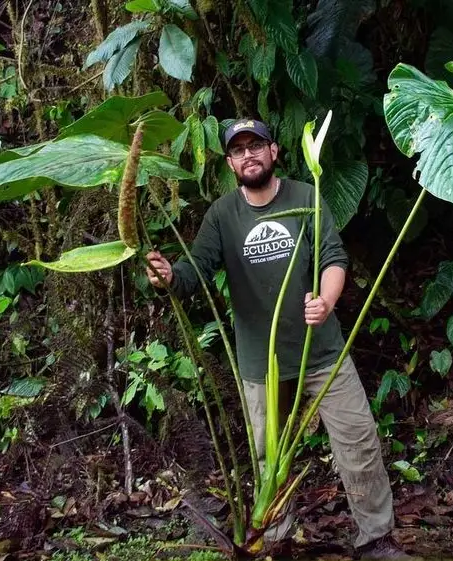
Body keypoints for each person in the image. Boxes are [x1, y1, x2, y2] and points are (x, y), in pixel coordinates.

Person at [146, 118, 416, 560]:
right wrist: (169, 275)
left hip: (322, 350)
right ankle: (277, 541)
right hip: (261, 363)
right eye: (238, 150)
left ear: (274, 152)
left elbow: (333, 256)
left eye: (257, 146)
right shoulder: (222, 215)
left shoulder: (306, 195)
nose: (248, 155)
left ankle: (377, 541)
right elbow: (194, 271)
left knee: (359, 442)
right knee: (267, 460)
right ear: (230, 162)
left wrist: (325, 302)